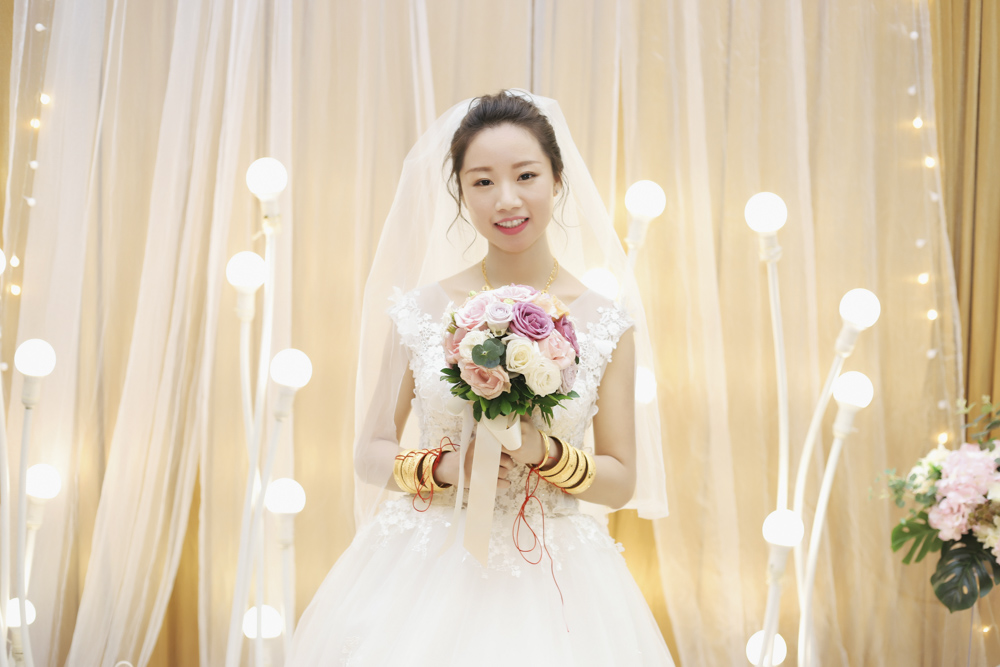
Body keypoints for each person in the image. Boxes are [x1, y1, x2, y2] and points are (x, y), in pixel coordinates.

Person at [286, 91, 673, 665]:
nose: (507, 199)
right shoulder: (421, 310)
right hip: (425, 563)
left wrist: (544, 453)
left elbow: (619, 481)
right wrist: (447, 468)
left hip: (555, 570)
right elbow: (369, 454)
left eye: (526, 175)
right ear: (461, 192)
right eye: (483, 182)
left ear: (557, 179)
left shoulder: (604, 322)